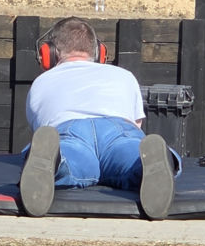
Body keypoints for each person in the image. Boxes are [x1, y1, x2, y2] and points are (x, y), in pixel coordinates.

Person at [21, 16, 181, 219]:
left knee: (71, 160)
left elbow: (39, 126)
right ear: (99, 53)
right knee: (131, 151)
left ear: (49, 54)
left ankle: (55, 163)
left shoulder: (41, 83)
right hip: (118, 127)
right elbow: (136, 125)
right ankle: (148, 165)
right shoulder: (123, 76)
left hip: (68, 129)